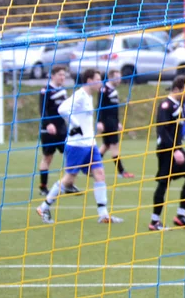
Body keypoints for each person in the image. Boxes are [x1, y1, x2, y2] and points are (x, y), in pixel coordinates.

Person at [37, 69, 122, 225]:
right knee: (68, 179)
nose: (101, 83)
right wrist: (75, 124)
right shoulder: (80, 95)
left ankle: (103, 215)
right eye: (98, 79)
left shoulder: (89, 96)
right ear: (89, 80)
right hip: (77, 145)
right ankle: (44, 207)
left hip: (90, 144)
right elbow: (62, 109)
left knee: (100, 174)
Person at [149, 75, 185, 231]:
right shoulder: (166, 105)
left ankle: (180, 216)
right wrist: (175, 150)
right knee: (164, 183)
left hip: (177, 148)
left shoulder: (179, 104)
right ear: (177, 90)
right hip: (166, 149)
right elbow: (161, 130)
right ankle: (154, 222)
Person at [37, 66, 79, 196]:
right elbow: (42, 110)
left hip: (62, 130)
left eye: (64, 75)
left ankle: (68, 184)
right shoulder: (46, 90)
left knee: (70, 155)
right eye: (60, 75)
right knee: (47, 158)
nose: (62, 77)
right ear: (53, 75)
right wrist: (48, 124)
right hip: (48, 131)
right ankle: (43, 187)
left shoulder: (63, 91)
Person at [97, 69, 134, 179]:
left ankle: (90, 167)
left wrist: (117, 122)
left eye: (120, 78)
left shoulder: (114, 90)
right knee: (114, 146)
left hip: (113, 122)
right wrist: (99, 121)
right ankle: (121, 172)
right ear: (110, 77)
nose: (119, 80)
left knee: (106, 145)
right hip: (107, 122)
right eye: (117, 77)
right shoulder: (104, 89)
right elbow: (99, 106)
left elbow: (115, 109)